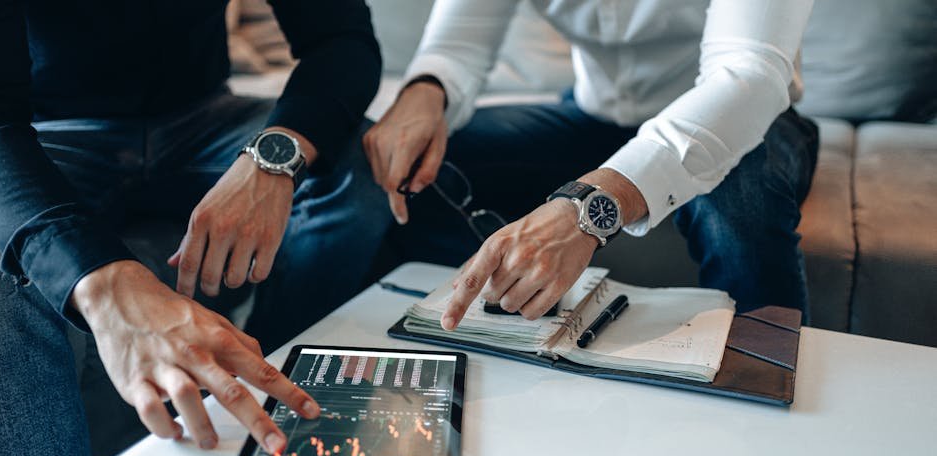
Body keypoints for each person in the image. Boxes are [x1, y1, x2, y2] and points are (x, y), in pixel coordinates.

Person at [0, 1, 380, 456]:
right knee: (5, 280)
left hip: (203, 118)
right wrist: (103, 281)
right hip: (51, 134)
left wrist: (272, 158)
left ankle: (270, 379)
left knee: (355, 167)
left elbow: (343, 39)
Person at [348, 0, 818, 331]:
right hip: (593, 114)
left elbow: (748, 73)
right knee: (422, 162)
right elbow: (457, 48)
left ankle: (765, 376)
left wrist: (586, 207)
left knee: (738, 207)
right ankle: (461, 333)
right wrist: (425, 91)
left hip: (745, 119)